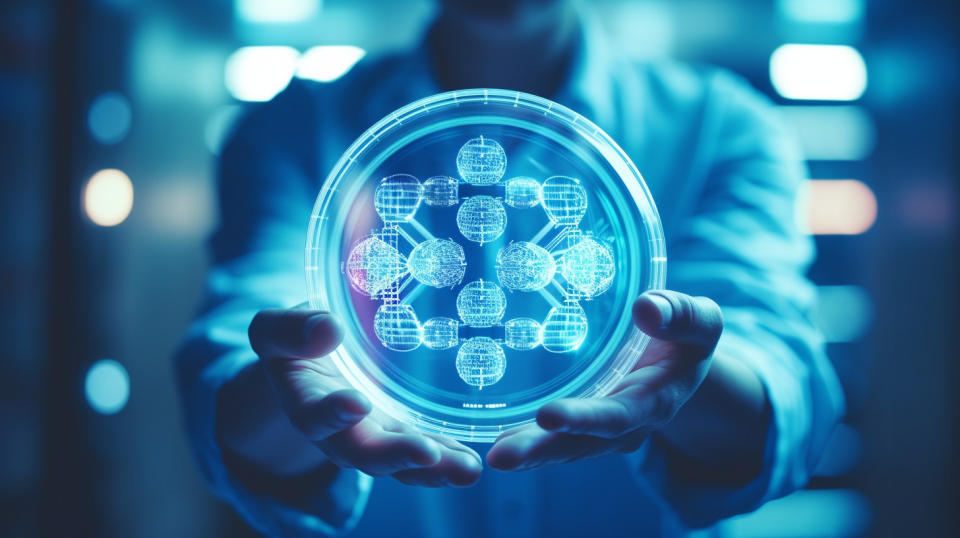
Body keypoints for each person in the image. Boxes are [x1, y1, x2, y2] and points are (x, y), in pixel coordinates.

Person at [175, 0, 845, 536]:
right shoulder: (292, 127)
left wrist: (689, 379)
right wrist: (292, 396)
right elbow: (240, 361)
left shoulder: (725, 127)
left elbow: (785, 389)